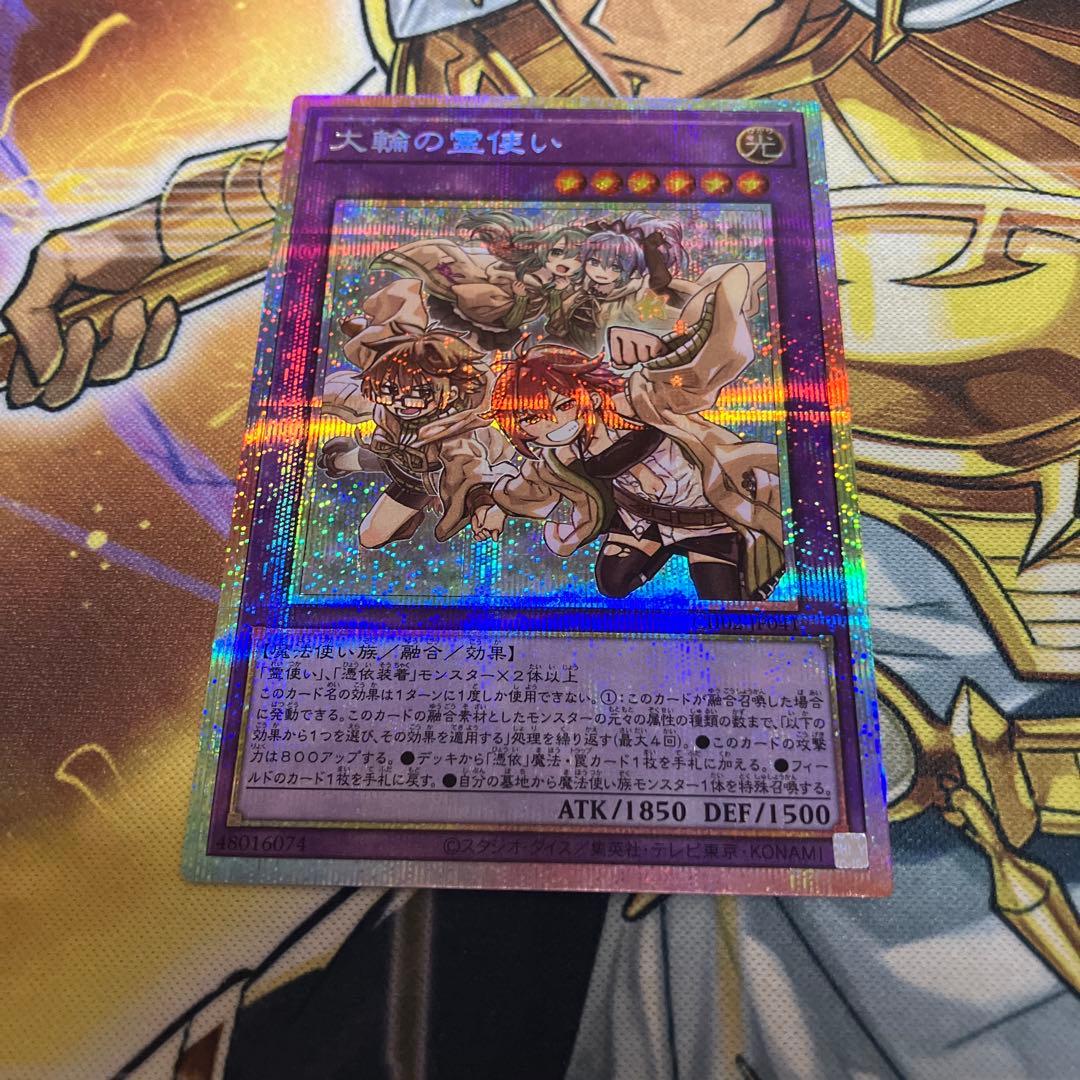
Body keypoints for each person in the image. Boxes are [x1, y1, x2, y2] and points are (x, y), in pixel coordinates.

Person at [478, 265, 785, 600]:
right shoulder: (562, 453)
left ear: (588, 394)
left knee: (723, 597)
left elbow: (692, 376)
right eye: (532, 418)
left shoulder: (636, 402)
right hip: (639, 519)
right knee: (613, 583)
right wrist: (497, 506)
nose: (552, 423)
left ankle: (747, 563)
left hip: (706, 518)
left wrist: (659, 352)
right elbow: (531, 483)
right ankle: (662, 548)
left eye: (563, 405)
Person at [317, 279, 515, 547]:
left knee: (370, 537)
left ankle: (410, 519)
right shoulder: (388, 391)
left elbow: (470, 470)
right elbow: (380, 360)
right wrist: (363, 331)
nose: (405, 401)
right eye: (392, 390)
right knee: (339, 460)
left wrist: (482, 503)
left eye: (421, 392)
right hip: (387, 453)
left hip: (418, 479)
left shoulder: (453, 434)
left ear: (451, 390)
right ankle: (340, 457)